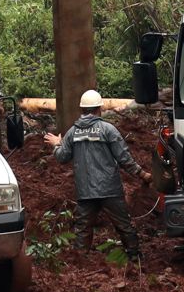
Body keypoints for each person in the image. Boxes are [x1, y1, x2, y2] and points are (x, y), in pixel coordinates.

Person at [44, 90, 146, 263]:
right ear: (99, 108)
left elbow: (62, 157)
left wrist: (56, 145)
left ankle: (80, 264)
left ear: (82, 109)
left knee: (83, 229)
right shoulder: (108, 129)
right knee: (123, 225)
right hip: (110, 189)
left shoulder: (72, 132)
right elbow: (124, 158)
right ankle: (135, 258)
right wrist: (142, 174)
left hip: (85, 191)